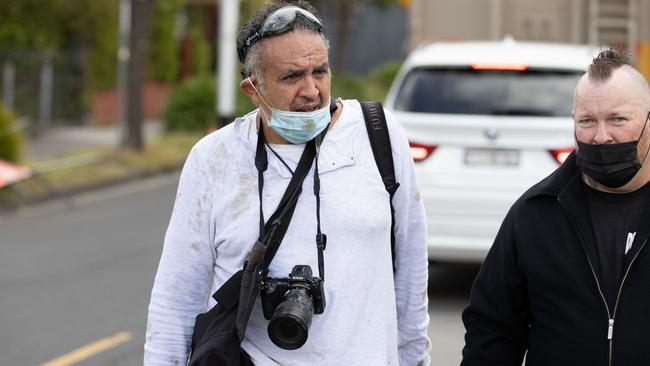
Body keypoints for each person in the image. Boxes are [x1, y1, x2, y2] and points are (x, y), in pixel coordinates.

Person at [144, 1, 430, 365]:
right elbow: (176, 300)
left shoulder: (379, 135)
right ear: (253, 88)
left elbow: (411, 280)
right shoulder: (213, 159)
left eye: (320, 71)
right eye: (292, 76)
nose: (311, 90)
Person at [461, 48, 650, 365]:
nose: (601, 136)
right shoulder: (535, 214)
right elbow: (492, 330)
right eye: (588, 121)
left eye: (618, 119)